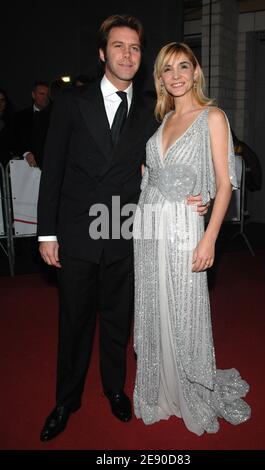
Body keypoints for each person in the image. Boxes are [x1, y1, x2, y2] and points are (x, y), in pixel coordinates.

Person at [37, 16, 207, 442]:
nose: (128, 54)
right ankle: (66, 400)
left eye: (134, 47)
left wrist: (197, 194)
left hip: (128, 233)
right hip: (77, 233)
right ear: (102, 53)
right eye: (119, 46)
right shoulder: (73, 103)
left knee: (117, 321)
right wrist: (46, 233)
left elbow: (173, 159)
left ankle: (115, 389)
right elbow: (52, 169)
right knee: (74, 322)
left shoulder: (154, 108)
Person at [133, 42, 251, 435]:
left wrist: (210, 237)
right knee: (155, 306)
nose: (177, 75)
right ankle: (160, 386)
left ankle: (190, 388)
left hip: (185, 229)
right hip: (149, 230)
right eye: (168, 69)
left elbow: (225, 182)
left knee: (184, 311)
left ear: (196, 71)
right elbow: (151, 175)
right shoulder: (163, 121)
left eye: (184, 66)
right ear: (160, 79)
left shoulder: (212, 116)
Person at [14, 81, 51, 169]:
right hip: (27, 168)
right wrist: (26, 153)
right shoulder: (21, 116)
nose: (45, 97)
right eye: (41, 94)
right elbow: (16, 139)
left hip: (50, 165)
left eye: (47, 94)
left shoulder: (56, 115)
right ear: (33, 95)